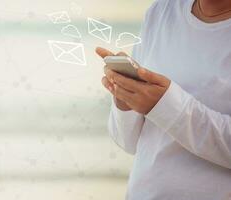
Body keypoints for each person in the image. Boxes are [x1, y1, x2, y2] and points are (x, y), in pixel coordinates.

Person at [96, 0, 231, 199]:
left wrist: (164, 104)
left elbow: (163, 106)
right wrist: (126, 97)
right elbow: (128, 141)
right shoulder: (161, 11)